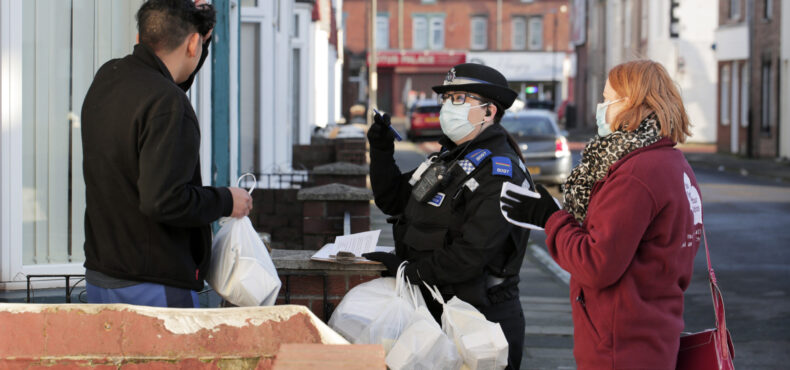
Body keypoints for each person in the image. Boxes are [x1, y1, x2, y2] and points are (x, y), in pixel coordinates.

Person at [500, 60, 702, 369]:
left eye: (607, 98)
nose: (601, 106)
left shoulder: (636, 172)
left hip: (620, 346)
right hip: (652, 335)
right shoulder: (672, 162)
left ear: (633, 103)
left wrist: (550, 219)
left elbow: (596, 264)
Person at [81, 0, 252, 308]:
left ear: (141, 38)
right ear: (191, 43)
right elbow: (165, 201)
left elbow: (163, 87)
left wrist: (202, 41)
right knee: (175, 359)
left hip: (101, 276)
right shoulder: (167, 104)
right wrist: (227, 200)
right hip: (152, 286)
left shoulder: (109, 77)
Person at [363, 63, 534, 370]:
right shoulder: (449, 161)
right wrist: (381, 149)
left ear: (488, 111)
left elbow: (471, 255)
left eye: (458, 98)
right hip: (436, 312)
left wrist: (408, 270)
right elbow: (393, 199)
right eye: (446, 99)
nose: (446, 107)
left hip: (480, 322)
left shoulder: (500, 172)